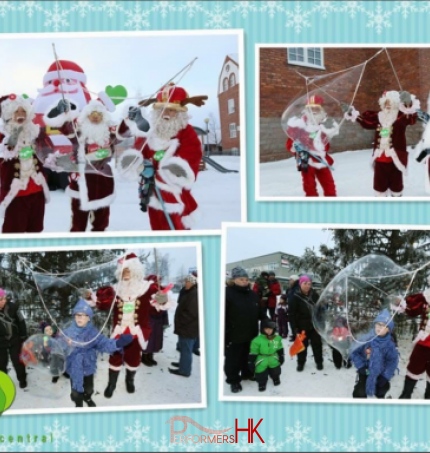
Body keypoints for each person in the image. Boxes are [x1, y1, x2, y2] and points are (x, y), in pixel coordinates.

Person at [116, 83, 207, 230]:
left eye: (171, 110)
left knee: (177, 228)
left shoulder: (187, 133)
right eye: (162, 109)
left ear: (180, 113)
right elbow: (138, 150)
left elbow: (189, 162)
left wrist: (162, 173)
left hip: (175, 194)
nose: (166, 114)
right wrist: (138, 164)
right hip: (152, 193)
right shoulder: (151, 131)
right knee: (157, 227)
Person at [44, 99, 117, 231]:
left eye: (99, 114)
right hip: (80, 182)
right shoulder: (78, 134)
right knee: (78, 222)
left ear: (103, 117)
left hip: (103, 182)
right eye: (92, 114)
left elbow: (127, 131)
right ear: (86, 116)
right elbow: (63, 125)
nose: (95, 117)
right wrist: (62, 111)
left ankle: (97, 245)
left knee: (101, 222)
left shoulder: (110, 134)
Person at [96, 253, 157, 398]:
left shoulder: (147, 288)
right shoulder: (115, 289)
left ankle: (130, 380)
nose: (125, 273)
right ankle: (111, 384)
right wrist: (94, 298)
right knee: (115, 356)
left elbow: (156, 308)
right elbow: (103, 305)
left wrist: (161, 299)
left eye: (128, 269)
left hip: (137, 331)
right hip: (119, 331)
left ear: (135, 269)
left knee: (134, 357)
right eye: (123, 270)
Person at [343, 90, 419, 197]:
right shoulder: (379, 116)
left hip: (395, 159)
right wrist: (352, 113)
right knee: (380, 187)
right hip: (380, 158)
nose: (388, 105)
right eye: (386, 102)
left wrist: (408, 103)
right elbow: (366, 123)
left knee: (396, 187)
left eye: (391, 102)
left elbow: (411, 119)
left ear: (396, 103)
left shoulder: (401, 116)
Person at [59, 299, 133, 407]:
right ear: (74, 316)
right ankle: (78, 403)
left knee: (89, 388)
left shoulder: (93, 333)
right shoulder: (67, 332)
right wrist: (65, 344)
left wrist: (118, 343)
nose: (80, 317)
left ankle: (87, 397)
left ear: (88, 318)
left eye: (83, 315)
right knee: (75, 390)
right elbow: (59, 347)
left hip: (88, 365)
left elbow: (104, 343)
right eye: (77, 315)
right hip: (75, 367)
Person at [0, 94, 52, 232]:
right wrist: (16, 133)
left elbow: (48, 152)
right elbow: (6, 151)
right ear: (9, 113)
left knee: (35, 231)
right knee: (13, 232)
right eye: (16, 111)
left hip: (37, 190)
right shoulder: (3, 134)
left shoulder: (35, 132)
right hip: (16, 194)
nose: (20, 114)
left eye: (23, 111)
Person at [285, 95, 339, 197]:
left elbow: (326, 144)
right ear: (306, 109)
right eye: (311, 108)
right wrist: (295, 146)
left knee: (328, 182)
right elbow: (290, 142)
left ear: (321, 109)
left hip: (320, 157)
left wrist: (321, 145)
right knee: (308, 183)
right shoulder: (298, 124)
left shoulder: (323, 124)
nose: (313, 110)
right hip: (304, 156)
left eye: (316, 108)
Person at [224, 267, 268, 393]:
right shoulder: (227, 293)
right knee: (233, 359)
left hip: (251, 333)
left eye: (246, 279)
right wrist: (226, 334)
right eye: (241, 279)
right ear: (234, 280)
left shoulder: (252, 295)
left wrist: (266, 320)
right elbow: (222, 316)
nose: (244, 281)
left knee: (248, 356)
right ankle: (233, 380)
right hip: (234, 334)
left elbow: (260, 311)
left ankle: (247, 373)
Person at [350, 309, 399, 399]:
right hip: (365, 370)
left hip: (380, 372)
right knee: (359, 393)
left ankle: (379, 396)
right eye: (378, 324)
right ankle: (359, 391)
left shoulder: (389, 345)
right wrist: (360, 366)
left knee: (383, 387)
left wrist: (385, 376)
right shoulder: (366, 339)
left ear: (388, 329)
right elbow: (354, 352)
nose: (379, 327)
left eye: (383, 325)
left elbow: (392, 361)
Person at [394, 286, 430, 398]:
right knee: (414, 368)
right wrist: (402, 304)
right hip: (424, 341)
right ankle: (406, 395)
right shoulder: (426, 298)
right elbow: (412, 310)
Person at [289, 274, 324, 371]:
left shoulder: (315, 295)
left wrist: (321, 324)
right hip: (301, 327)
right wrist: (294, 328)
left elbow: (320, 310)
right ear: (300, 284)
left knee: (317, 345)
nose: (307, 286)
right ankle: (301, 363)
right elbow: (291, 314)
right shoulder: (295, 297)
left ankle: (319, 362)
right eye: (305, 283)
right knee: (302, 346)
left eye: (309, 284)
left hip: (314, 325)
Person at [168, 274, 199, 377]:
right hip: (186, 327)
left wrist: (182, 320)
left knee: (186, 349)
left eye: (187, 282)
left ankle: (184, 370)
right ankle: (182, 364)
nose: (185, 283)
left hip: (188, 327)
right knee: (183, 347)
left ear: (193, 283)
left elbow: (192, 313)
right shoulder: (189, 292)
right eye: (185, 281)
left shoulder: (194, 294)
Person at [141, 274, 171, 367]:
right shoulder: (147, 290)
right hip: (150, 319)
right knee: (149, 339)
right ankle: (144, 357)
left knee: (155, 339)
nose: (159, 282)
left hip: (158, 319)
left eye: (160, 281)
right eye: (157, 281)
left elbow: (164, 305)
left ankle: (150, 356)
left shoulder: (161, 290)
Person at [0, 288, 27, 389]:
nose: (4, 301)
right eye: (0, 299)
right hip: (0, 342)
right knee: (1, 363)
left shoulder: (13, 307)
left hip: (15, 339)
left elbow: (21, 321)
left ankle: (22, 379)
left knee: (18, 360)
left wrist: (23, 336)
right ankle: (3, 381)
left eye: (4, 298)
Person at [248, 319, 285, 392]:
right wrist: (251, 362)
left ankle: (276, 378)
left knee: (275, 369)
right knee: (260, 371)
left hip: (273, 357)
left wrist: (281, 355)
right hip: (261, 358)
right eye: (266, 329)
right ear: (262, 329)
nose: (268, 331)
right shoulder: (257, 340)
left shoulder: (277, 338)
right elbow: (253, 351)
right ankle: (262, 383)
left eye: (270, 329)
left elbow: (279, 347)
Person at [286, 275, 300, 341]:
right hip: (291, 309)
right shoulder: (291, 288)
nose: (289, 281)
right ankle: (295, 336)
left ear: (294, 280)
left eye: (291, 280)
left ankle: (297, 337)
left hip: (295, 310)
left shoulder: (297, 288)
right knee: (292, 324)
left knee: (295, 324)